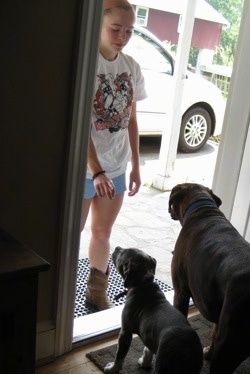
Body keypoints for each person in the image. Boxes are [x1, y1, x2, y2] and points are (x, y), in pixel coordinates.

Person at [80, 0, 147, 311]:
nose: (122, 36)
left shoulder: (131, 67)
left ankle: (96, 291)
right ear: (100, 25)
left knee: (102, 231)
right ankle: (56, 297)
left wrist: (134, 164)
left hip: (117, 165)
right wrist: (96, 171)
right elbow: (80, 125)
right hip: (84, 170)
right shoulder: (87, 63)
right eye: (116, 28)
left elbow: (131, 119)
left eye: (129, 31)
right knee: (72, 233)